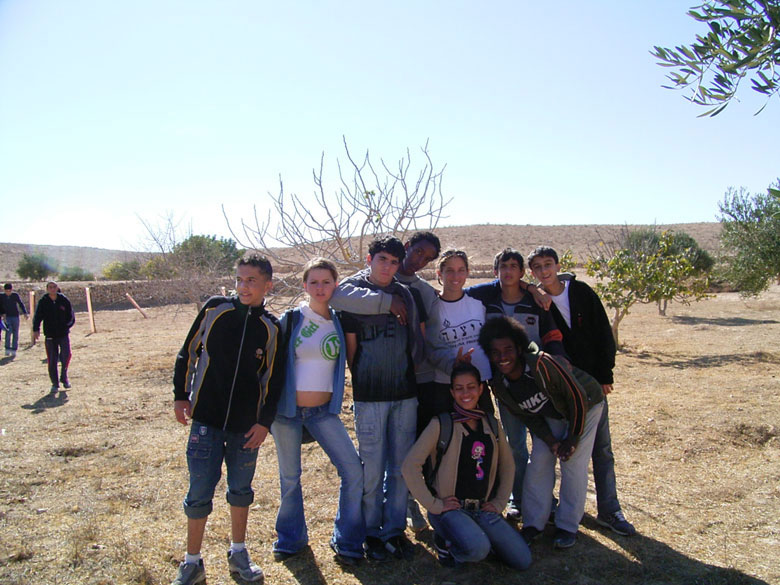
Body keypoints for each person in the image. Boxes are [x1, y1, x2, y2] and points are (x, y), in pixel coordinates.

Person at [170, 252, 285, 585]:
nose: (243, 286)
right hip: (205, 419)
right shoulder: (215, 309)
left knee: (240, 490)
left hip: (246, 427)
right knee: (199, 490)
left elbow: (274, 380)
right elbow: (187, 352)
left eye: (251, 280)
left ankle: (238, 553)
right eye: (239, 279)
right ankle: (191, 562)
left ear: (268, 284)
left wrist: (264, 422)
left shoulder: (271, 328)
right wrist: (181, 394)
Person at [528, 246, 636, 536]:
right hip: (559, 389)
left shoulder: (581, 292)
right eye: (537, 267)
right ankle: (552, 509)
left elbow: (603, 332)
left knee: (602, 449)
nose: (544, 271)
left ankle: (609, 510)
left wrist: (604, 374)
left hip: (592, 387)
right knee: (559, 450)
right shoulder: (535, 301)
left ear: (558, 264)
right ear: (532, 272)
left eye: (548, 264)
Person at [478, 316, 604, 549]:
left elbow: (575, 397)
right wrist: (551, 440)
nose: (502, 357)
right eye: (495, 352)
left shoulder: (541, 364)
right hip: (554, 411)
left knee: (572, 462)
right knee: (539, 462)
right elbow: (526, 415)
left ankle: (567, 526)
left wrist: (572, 439)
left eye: (508, 349)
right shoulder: (499, 384)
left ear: (518, 347)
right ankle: (534, 523)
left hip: (585, 403)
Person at [271, 258, 365, 566]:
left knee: (353, 470)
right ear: (304, 286)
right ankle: (290, 539)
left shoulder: (339, 321)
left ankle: (348, 540)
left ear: (336, 284)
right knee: (290, 477)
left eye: (326, 282)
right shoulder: (293, 318)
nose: (320, 288)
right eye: (314, 282)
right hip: (286, 413)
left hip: (323, 412)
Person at [339, 235, 422, 562]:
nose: (387, 266)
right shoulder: (353, 293)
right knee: (372, 468)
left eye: (393, 261)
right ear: (370, 258)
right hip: (370, 396)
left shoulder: (404, 293)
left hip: (405, 394)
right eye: (382, 259)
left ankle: (394, 531)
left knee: (401, 467)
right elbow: (351, 350)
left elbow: (413, 340)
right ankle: (371, 532)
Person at [401, 362, 531, 569]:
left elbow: (508, 466)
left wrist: (499, 503)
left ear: (481, 389)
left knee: (522, 560)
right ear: (452, 392)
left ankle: (479, 538)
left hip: (483, 509)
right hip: (450, 510)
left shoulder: (492, 424)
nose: (465, 393)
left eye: (471, 387)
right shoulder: (441, 424)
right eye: (459, 388)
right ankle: (447, 545)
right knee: (478, 549)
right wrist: (434, 505)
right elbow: (410, 466)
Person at [466, 248, 563, 519]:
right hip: (505, 389)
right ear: (496, 271)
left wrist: (559, 364)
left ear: (521, 272)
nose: (508, 271)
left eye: (514, 266)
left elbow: (552, 334)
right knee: (515, 444)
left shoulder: (536, 303)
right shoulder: (485, 299)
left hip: (540, 385)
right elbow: (457, 295)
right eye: (503, 266)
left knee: (543, 446)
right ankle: (517, 498)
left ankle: (545, 499)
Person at [425, 250, 492, 417]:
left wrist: (532, 288)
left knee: (485, 436)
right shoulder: (431, 308)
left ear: (468, 272)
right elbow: (430, 347)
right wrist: (453, 362)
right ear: (439, 273)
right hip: (445, 384)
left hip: (479, 382)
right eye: (450, 270)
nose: (456, 275)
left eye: (461, 270)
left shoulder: (479, 301)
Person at [32, 281, 75, 393]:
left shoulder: (63, 300)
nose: (52, 289)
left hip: (63, 334)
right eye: (50, 287)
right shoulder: (43, 301)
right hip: (50, 335)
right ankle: (55, 383)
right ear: (47, 289)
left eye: (54, 287)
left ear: (57, 288)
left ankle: (64, 377)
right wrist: (36, 329)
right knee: (52, 359)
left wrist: (66, 326)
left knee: (66, 355)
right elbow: (38, 316)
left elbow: (71, 315)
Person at [3, 283, 29, 356]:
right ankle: (7, 349)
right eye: (6, 291)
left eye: (9, 291)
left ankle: (14, 349)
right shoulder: (2, 296)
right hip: (7, 317)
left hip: (15, 317)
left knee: (15, 334)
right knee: (8, 333)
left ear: (11, 290)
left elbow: (21, 304)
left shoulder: (15, 295)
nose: (8, 292)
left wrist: (25, 313)